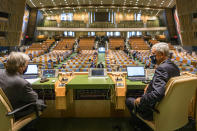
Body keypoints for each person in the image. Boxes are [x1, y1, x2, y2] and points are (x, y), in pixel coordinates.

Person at [125, 43, 180, 127]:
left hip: (153, 110)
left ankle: (139, 124)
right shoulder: (174, 67)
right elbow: (165, 83)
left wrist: (141, 100)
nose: (151, 56)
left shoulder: (161, 68)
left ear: (161, 55)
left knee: (129, 100)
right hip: (170, 109)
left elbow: (158, 94)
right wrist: (151, 84)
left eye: (153, 54)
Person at [0, 52, 45, 121]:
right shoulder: (22, 83)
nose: (26, 67)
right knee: (41, 103)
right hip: (14, 113)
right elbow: (34, 99)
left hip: (2, 111)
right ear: (21, 67)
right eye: (26, 65)